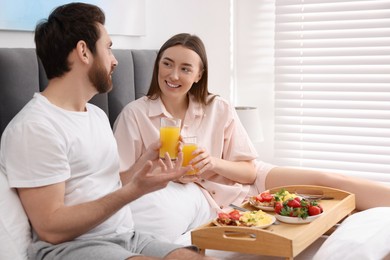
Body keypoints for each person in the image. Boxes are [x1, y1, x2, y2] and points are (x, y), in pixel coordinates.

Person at [113, 32, 390, 244]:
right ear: (157, 66)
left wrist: (212, 163)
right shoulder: (135, 116)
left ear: (199, 75)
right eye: (167, 64)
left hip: (250, 181)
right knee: (323, 227)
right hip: (214, 202)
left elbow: (247, 170)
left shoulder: (217, 107)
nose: (173, 75)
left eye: (185, 68)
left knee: (327, 183)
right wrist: (158, 165)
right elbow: (119, 182)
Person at [0, 4, 215, 260]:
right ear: (83, 51)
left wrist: (146, 160)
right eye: (108, 47)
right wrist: (135, 191)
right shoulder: (35, 128)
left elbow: (106, 184)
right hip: (71, 247)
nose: (114, 60)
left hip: (126, 237)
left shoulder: (96, 115)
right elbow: (50, 228)